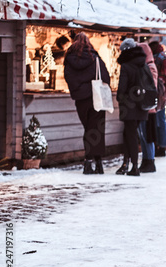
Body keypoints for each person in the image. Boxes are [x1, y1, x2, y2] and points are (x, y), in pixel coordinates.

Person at [64, 32, 109, 175]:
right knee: (96, 130)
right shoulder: (95, 58)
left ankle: (88, 163)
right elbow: (106, 76)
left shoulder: (69, 58)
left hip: (81, 99)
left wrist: (78, 89)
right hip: (96, 97)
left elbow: (68, 77)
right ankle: (98, 163)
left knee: (88, 129)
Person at [115, 38, 151, 176]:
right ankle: (126, 164)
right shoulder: (144, 64)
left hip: (129, 106)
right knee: (130, 134)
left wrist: (121, 99)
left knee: (130, 135)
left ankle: (134, 166)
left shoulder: (126, 66)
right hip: (141, 105)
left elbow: (122, 87)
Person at [136, 42, 159, 173]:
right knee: (144, 135)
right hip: (147, 106)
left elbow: (151, 85)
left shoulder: (150, 67)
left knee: (148, 135)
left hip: (149, 107)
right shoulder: (148, 66)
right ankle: (147, 160)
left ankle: (149, 161)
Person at [149, 41, 166, 157]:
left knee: (160, 120)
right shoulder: (158, 58)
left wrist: (154, 80)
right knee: (158, 120)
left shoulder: (161, 59)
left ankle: (162, 146)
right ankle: (159, 145)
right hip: (159, 93)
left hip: (161, 95)